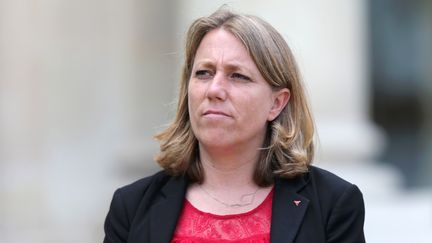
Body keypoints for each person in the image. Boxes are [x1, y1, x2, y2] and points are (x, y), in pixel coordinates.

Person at [103, 8, 365, 243]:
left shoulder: (334, 204)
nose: (214, 89)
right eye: (204, 73)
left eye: (237, 76)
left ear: (276, 103)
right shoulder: (131, 206)